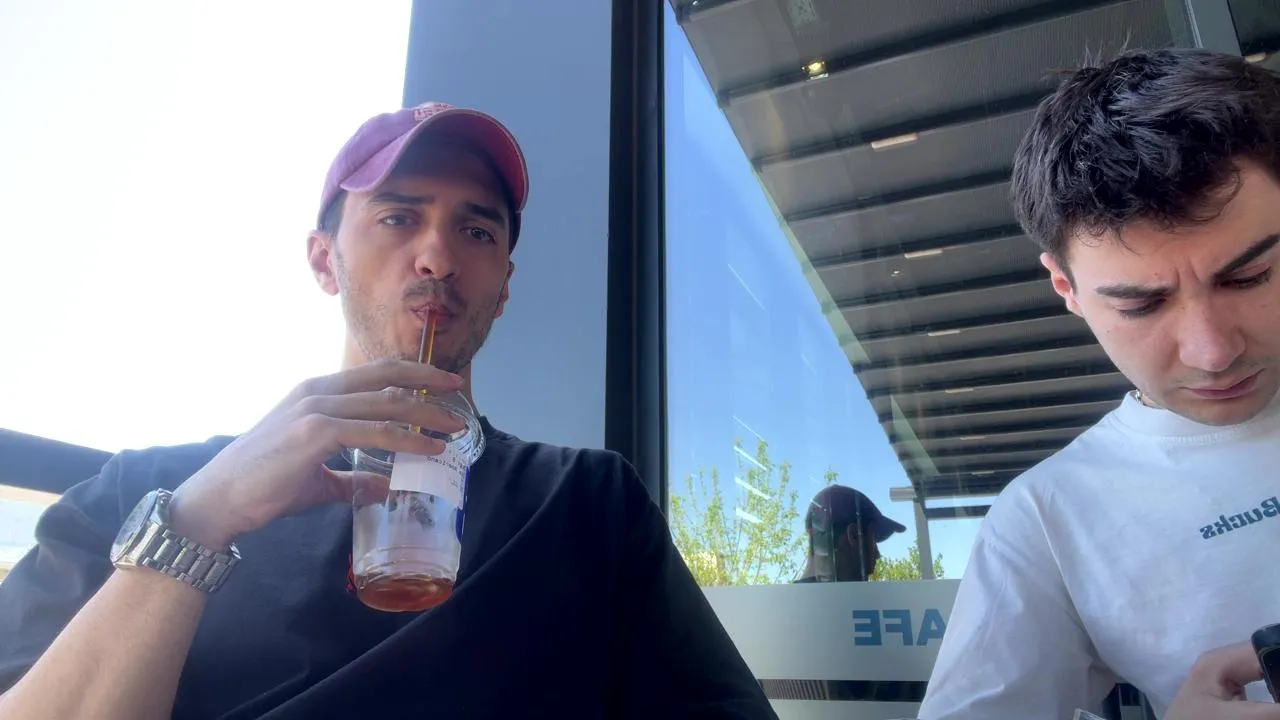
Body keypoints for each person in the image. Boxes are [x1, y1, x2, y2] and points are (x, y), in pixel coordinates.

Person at [0, 101, 776, 719]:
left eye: (477, 230)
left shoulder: (585, 501)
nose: (438, 257)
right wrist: (200, 523)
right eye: (398, 217)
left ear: (504, 286)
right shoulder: (143, 493)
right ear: (324, 260)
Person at [918, 48, 1280, 719]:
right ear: (1067, 288)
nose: (1212, 353)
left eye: (1249, 277)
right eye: (1141, 305)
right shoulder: (1049, 517)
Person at [794, 484, 906, 583]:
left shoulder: (788, 599)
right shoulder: (863, 599)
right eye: (873, 539)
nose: (877, 555)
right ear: (854, 536)